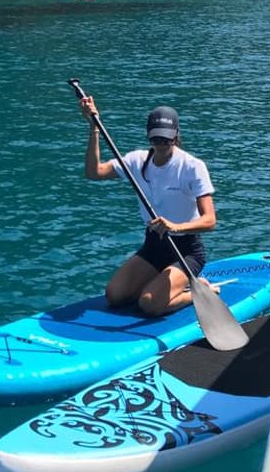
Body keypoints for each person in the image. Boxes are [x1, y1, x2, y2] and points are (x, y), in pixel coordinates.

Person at [79, 96, 217, 317]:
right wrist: (94, 128)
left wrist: (175, 226)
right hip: (153, 246)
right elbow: (94, 172)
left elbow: (210, 220)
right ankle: (161, 285)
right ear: (148, 136)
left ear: (176, 136)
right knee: (115, 296)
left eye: (167, 139)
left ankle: (198, 289)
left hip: (186, 251)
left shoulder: (192, 167)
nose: (161, 144)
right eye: (156, 139)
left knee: (149, 305)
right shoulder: (137, 161)